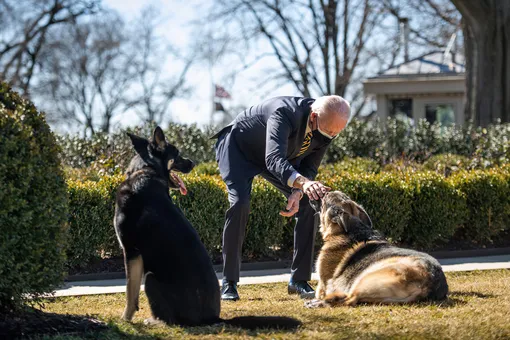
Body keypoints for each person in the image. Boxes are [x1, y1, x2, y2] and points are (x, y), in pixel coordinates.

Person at [212, 95, 350, 301]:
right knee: (240, 203)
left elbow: (310, 166)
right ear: (313, 117)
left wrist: (298, 191)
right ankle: (229, 283)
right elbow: (274, 159)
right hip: (238, 150)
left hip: (276, 158)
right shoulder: (284, 113)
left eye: (336, 133)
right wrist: (302, 182)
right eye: (329, 131)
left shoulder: (328, 125)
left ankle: (298, 281)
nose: (330, 136)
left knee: (308, 203)